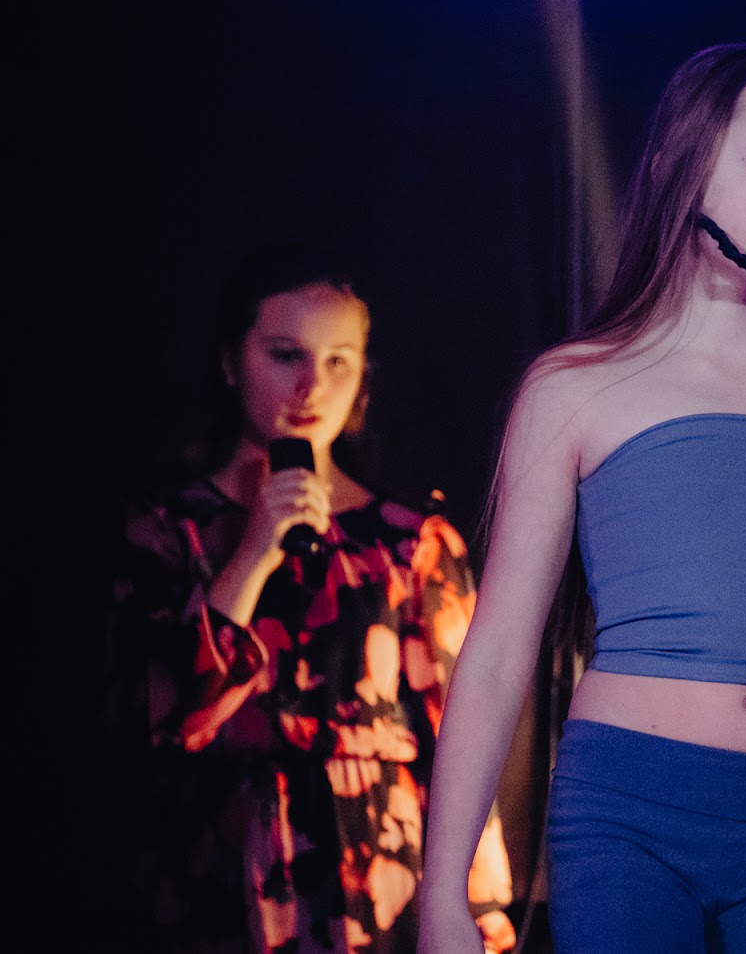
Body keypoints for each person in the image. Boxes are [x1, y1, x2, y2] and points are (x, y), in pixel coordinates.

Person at [417, 43, 746, 954]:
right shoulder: (576, 387)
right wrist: (442, 894)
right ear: (678, 167)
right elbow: (497, 654)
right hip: (632, 810)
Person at [107, 245, 516, 954]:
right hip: (217, 874)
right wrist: (253, 552)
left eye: (338, 361)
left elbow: (463, 744)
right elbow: (160, 719)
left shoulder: (411, 543)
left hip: (375, 877)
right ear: (231, 362)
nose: (312, 387)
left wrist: (480, 912)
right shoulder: (167, 529)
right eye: (285, 355)